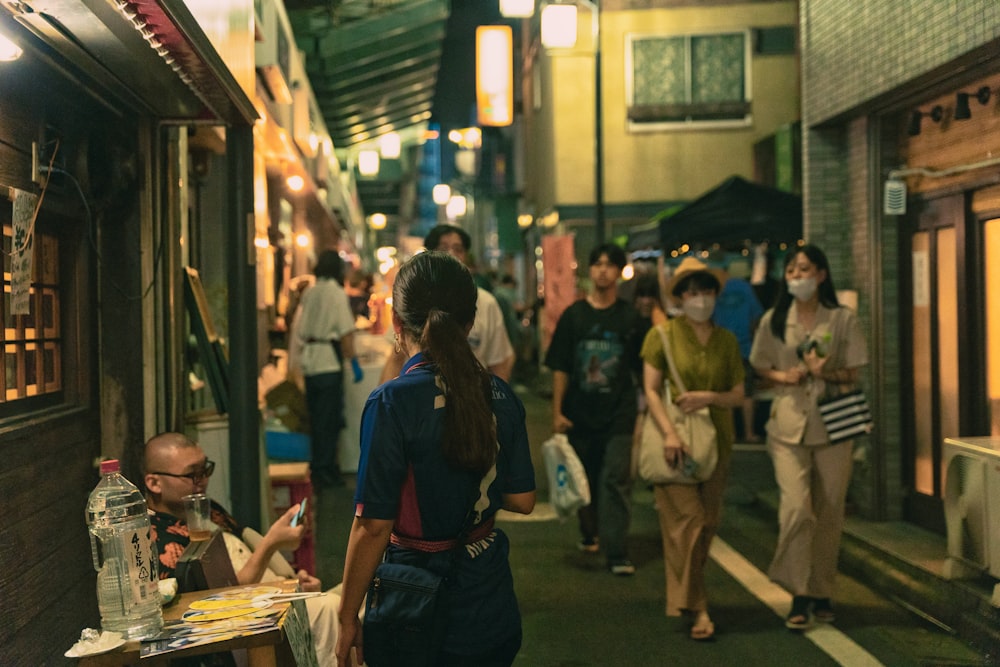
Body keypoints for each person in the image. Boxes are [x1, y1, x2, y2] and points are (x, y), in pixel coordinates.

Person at [335, 251, 536, 667]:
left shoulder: (392, 401)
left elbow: (373, 526)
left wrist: (346, 614)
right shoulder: (499, 393)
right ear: (470, 323)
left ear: (396, 323)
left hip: (415, 599)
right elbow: (523, 499)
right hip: (488, 592)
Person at [748, 244, 868, 631]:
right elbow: (760, 368)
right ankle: (798, 591)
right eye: (792, 271)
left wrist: (821, 372)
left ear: (821, 274)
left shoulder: (841, 318)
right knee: (797, 509)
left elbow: (853, 371)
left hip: (834, 426)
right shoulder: (775, 319)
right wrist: (786, 377)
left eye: (805, 269)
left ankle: (822, 591)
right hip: (787, 425)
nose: (798, 277)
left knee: (830, 511)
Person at [143, 432, 342, 663]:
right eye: (192, 475)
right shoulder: (156, 539)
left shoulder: (207, 509)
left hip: (272, 597)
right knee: (333, 607)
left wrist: (295, 583)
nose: (203, 481)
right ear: (154, 483)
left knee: (366, 595)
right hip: (240, 627)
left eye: (205, 470)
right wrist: (271, 543)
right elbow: (220, 600)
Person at [640, 256, 744, 641]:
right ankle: (699, 607)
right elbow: (650, 389)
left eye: (706, 292)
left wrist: (709, 397)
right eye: (692, 292)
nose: (700, 299)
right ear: (681, 298)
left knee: (707, 525)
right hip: (676, 443)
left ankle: (687, 598)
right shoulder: (662, 336)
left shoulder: (727, 341)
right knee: (691, 522)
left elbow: (738, 394)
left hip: (718, 443)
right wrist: (668, 432)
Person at [544, 243, 642, 575]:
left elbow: (641, 370)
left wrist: (640, 418)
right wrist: (557, 411)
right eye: (597, 264)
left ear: (619, 272)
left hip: (619, 413)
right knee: (583, 478)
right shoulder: (575, 316)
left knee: (615, 478)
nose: (603, 270)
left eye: (610, 265)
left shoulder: (630, 318)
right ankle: (590, 531)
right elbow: (561, 367)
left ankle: (617, 552)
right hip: (579, 413)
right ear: (589, 271)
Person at [378, 225, 515, 383]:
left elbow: (500, 362)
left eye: (458, 249)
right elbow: (396, 359)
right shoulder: (412, 297)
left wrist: (495, 401)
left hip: (469, 399)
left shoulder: (486, 303)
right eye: (443, 248)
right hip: (417, 400)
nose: (452, 254)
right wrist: (386, 395)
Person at [289, 250, 363, 488]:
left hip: (310, 361)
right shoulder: (336, 293)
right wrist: (353, 361)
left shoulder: (309, 291)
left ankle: (319, 468)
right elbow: (345, 331)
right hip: (329, 364)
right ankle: (326, 471)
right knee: (329, 420)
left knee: (316, 418)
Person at [712, 266, 765, 442]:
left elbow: (709, 320)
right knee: (747, 393)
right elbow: (756, 316)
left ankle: (731, 434)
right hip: (745, 347)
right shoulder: (745, 287)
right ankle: (749, 433)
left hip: (722, 350)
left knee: (727, 392)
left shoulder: (715, 290)